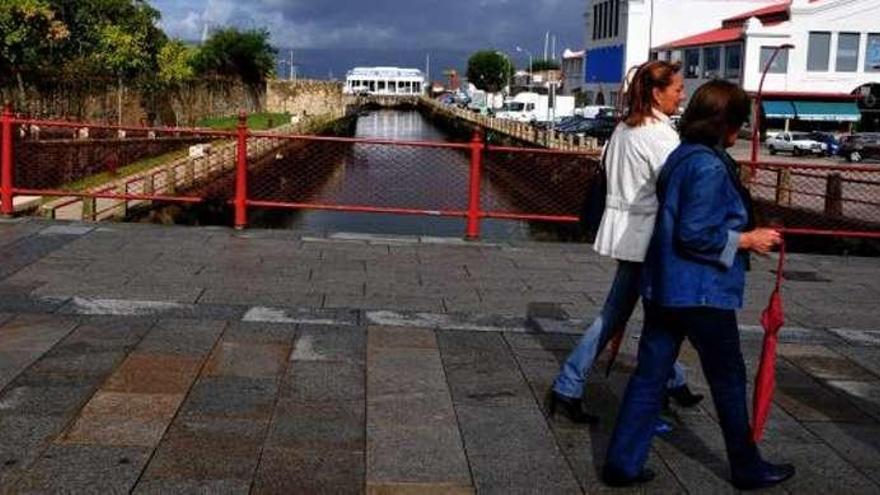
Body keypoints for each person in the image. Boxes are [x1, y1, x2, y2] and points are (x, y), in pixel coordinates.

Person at [602, 80, 795, 490]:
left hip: (665, 286)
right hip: (701, 292)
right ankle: (746, 467)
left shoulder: (682, 155)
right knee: (727, 379)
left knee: (649, 376)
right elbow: (694, 232)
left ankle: (622, 463)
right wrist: (747, 239)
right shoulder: (708, 164)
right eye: (741, 122)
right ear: (727, 123)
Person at [548, 61, 703, 424]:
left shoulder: (623, 129)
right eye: (677, 88)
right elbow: (676, 189)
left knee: (631, 314)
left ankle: (671, 381)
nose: (682, 95)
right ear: (656, 92)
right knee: (641, 318)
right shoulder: (660, 136)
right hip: (649, 237)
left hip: (626, 232)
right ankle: (571, 384)